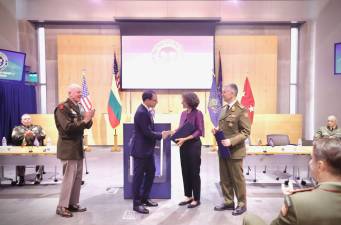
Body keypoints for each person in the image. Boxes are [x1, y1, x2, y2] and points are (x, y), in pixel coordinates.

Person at [243, 138, 341, 225]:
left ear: (320, 166)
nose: (309, 162)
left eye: (312, 159)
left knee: (249, 218)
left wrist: (291, 199)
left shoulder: (297, 202)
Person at [54, 84, 95, 218]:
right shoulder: (62, 108)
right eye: (77, 92)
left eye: (80, 92)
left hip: (77, 147)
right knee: (68, 179)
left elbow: (86, 125)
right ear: (69, 93)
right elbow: (68, 128)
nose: (80, 94)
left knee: (77, 178)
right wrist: (85, 119)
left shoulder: (79, 106)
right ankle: (62, 206)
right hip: (68, 147)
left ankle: (72, 203)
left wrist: (89, 118)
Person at [212, 83, 251, 216]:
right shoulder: (224, 109)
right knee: (225, 178)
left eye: (224, 92)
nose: (222, 94)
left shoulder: (241, 110)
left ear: (232, 93)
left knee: (237, 179)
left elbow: (246, 132)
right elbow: (225, 127)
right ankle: (228, 202)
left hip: (235, 151)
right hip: (223, 150)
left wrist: (231, 141)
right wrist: (217, 130)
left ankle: (241, 204)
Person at [130, 90, 169, 214]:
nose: (156, 102)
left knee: (151, 172)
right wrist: (161, 135)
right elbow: (146, 132)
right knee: (138, 177)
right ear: (147, 100)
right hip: (141, 151)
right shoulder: (141, 112)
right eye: (154, 100)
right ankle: (136, 203)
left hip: (147, 150)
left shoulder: (147, 111)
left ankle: (145, 198)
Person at [171, 92, 204, 208]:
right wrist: (173, 132)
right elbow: (181, 128)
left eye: (183, 100)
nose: (181, 102)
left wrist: (185, 138)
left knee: (194, 172)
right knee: (185, 170)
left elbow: (199, 131)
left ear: (189, 101)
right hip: (183, 145)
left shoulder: (198, 113)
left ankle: (196, 198)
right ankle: (188, 195)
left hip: (193, 145)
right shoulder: (183, 113)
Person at [11, 114, 46, 185]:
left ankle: (38, 176)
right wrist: (25, 135)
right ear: (21, 121)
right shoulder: (17, 128)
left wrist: (33, 135)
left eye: (28, 119)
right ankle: (21, 177)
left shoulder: (38, 127)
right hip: (22, 149)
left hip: (36, 149)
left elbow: (43, 135)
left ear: (31, 120)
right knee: (19, 157)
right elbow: (14, 137)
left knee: (40, 156)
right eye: (25, 119)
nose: (27, 120)